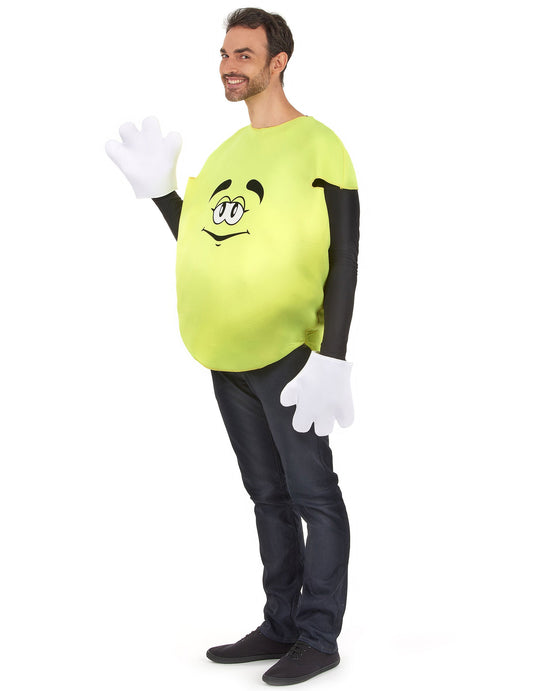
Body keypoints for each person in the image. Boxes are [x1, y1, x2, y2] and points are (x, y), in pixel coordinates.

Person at [105, 7, 360, 686]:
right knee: (266, 495)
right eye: (223, 54)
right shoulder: (225, 153)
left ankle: (318, 636)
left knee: (313, 495)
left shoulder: (320, 145)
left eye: (243, 54)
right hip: (227, 357)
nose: (228, 66)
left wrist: (332, 356)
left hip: (290, 358)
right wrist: (163, 195)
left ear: (278, 62)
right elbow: (203, 241)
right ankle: (280, 622)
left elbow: (345, 254)